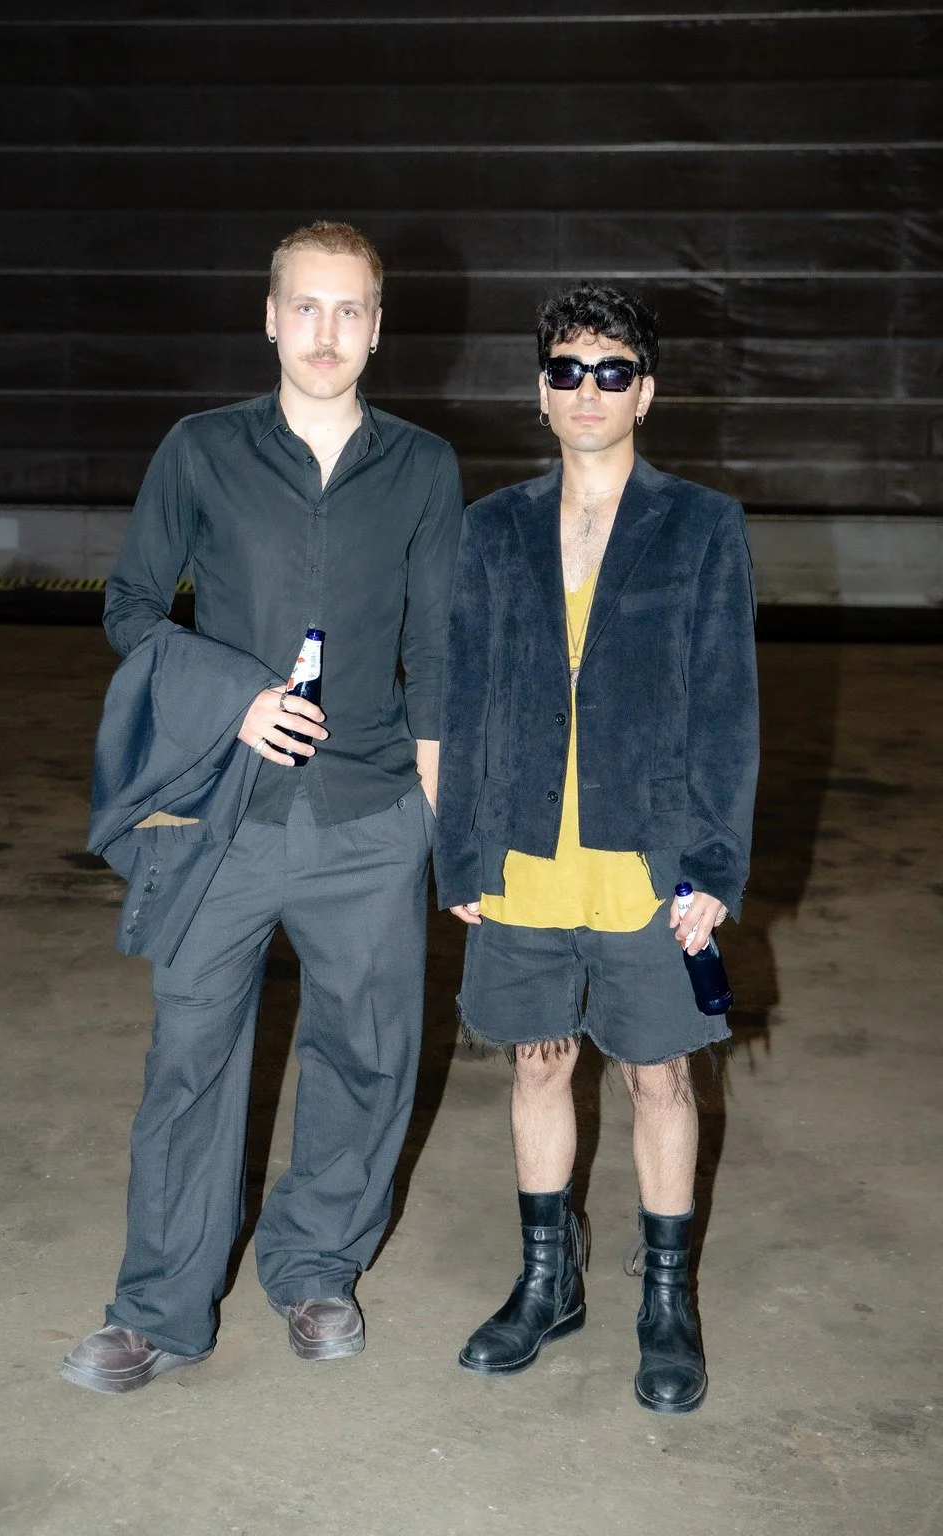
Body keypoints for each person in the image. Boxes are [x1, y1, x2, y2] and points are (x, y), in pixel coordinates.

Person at [62, 221, 463, 1393]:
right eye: (306, 307)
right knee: (189, 1058)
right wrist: (232, 695)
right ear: (269, 315)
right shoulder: (199, 450)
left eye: (350, 311)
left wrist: (445, 834)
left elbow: (437, 654)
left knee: (367, 1054)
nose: (326, 332)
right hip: (224, 817)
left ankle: (315, 1268)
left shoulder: (425, 469)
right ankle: (158, 1309)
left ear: (378, 327)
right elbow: (132, 606)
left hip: (371, 816)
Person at [433, 282, 759, 1413]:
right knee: (536, 1061)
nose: (588, 390)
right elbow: (465, 689)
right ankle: (545, 1281)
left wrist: (714, 867)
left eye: (611, 371)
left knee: (657, 1073)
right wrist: (458, 851)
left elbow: (725, 706)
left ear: (647, 393)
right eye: (567, 369)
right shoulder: (493, 528)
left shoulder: (702, 525)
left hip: (646, 851)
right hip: (523, 848)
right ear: (540, 392)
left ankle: (665, 1301)